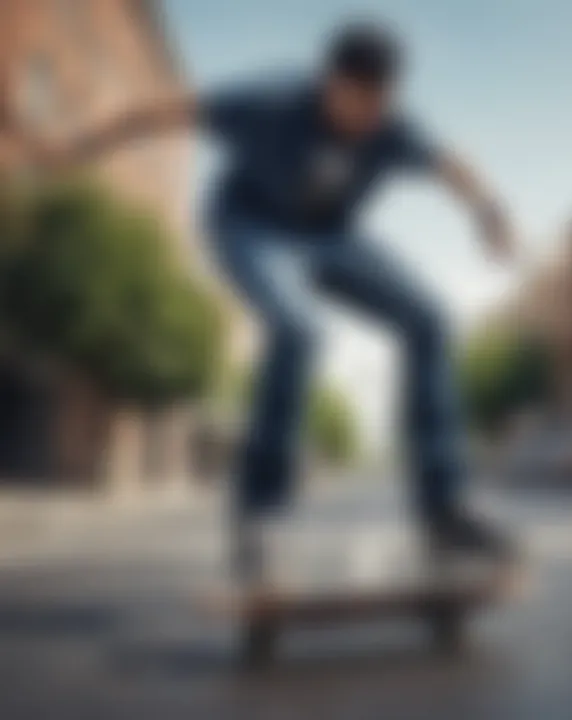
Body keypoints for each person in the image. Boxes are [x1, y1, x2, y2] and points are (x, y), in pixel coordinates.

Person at [22, 21, 520, 586]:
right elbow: (158, 112)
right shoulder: (269, 101)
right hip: (250, 226)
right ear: (329, 83)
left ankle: (444, 510)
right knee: (299, 330)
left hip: (333, 238)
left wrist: (491, 214)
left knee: (429, 320)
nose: (366, 120)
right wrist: (74, 149)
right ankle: (260, 517)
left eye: (379, 106)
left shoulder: (393, 127)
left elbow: (452, 166)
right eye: (356, 103)